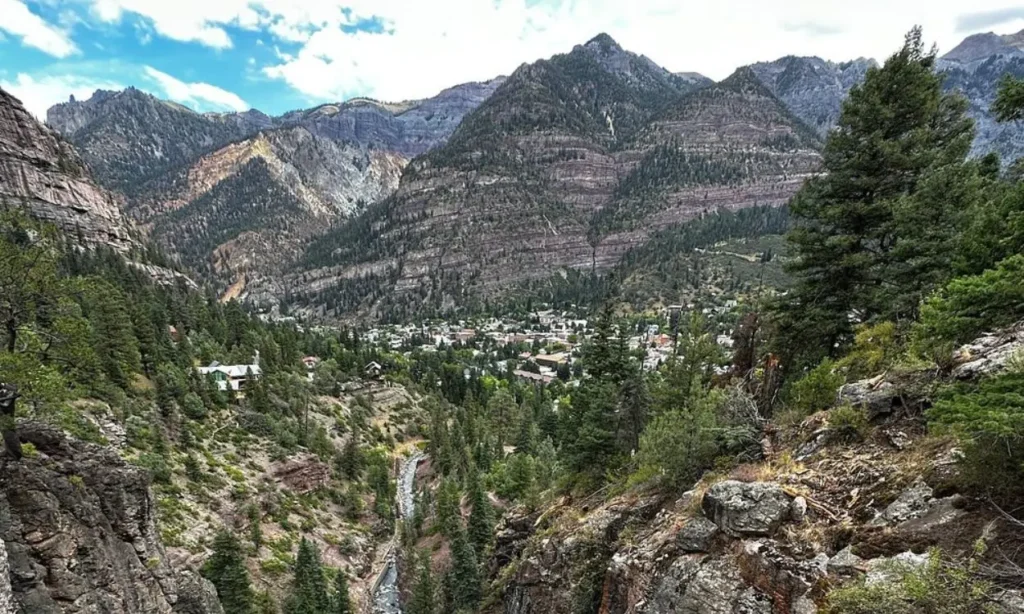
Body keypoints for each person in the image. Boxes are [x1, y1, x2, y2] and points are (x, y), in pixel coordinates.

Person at [0, 383, 21, 460]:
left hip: (8, 414)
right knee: (5, 433)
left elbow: (6, 405)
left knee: (10, 433)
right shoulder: (3, 390)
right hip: (2, 414)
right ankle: (8, 451)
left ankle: (16, 454)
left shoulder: (11, 390)